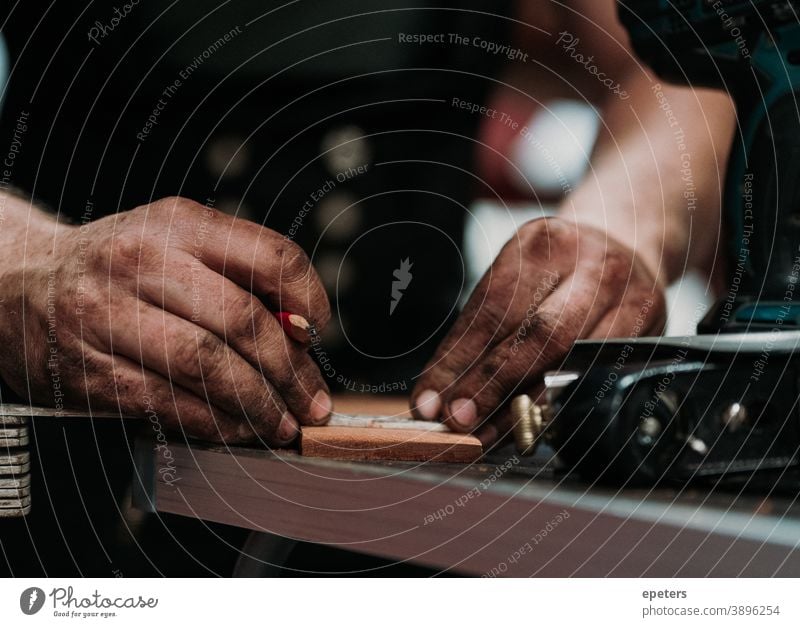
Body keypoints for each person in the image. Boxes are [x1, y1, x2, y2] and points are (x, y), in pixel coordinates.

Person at [0, 0, 735, 449]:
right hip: (64, 446)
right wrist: (25, 262)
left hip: (427, 453)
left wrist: (623, 222)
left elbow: (687, 62)